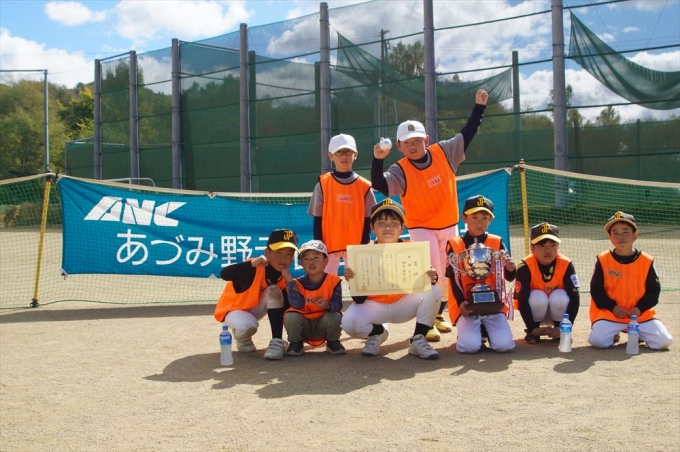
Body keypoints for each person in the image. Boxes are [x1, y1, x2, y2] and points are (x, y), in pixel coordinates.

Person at [371, 89, 489, 342]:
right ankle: (425, 322)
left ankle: (437, 314)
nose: (413, 146)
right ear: (399, 146)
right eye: (406, 143)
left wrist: (479, 108)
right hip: (421, 227)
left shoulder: (444, 152)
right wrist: (377, 160)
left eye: (417, 140)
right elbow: (380, 185)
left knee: (449, 272)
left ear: (426, 139)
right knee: (429, 271)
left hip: (449, 224)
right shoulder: (400, 169)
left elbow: (468, 133)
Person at [341, 199, 441, 359]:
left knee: (433, 292)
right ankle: (377, 333)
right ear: (372, 227)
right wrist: (353, 281)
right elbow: (359, 300)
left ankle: (418, 339)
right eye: (381, 223)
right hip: (375, 307)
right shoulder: (361, 254)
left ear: (402, 227)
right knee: (349, 322)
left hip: (404, 305)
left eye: (394, 223)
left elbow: (429, 281)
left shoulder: (413, 248)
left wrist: (432, 276)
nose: (388, 227)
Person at [588, 211, 673, 350]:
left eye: (625, 232)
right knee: (599, 342)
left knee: (664, 342)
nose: (620, 237)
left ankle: (639, 334)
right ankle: (614, 334)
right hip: (610, 314)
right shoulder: (603, 260)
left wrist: (639, 308)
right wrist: (612, 307)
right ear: (610, 237)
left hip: (639, 315)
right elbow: (596, 290)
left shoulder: (646, 260)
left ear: (635, 235)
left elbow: (654, 291)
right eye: (615, 233)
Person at [445, 195, 516, 354]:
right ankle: (474, 332)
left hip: (493, 305)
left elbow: (509, 277)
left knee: (504, 346)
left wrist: (511, 268)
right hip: (467, 306)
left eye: (485, 218)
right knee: (469, 347)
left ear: (490, 219)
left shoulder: (497, 242)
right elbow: (452, 277)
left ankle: (486, 332)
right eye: (474, 217)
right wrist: (461, 302)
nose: (479, 222)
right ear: (464, 218)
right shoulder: (455, 244)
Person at [214, 228, 299, 360]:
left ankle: (276, 342)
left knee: (274, 291)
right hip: (232, 310)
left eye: (289, 254)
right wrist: (252, 264)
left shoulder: (284, 276)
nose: (283, 258)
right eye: (278, 252)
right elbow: (224, 274)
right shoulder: (254, 266)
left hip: (254, 310)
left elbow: (287, 307)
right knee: (248, 326)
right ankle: (241, 336)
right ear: (267, 252)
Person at [308, 133, 377, 275]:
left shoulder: (364, 186)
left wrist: (364, 243)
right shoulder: (323, 184)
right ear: (330, 156)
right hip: (328, 243)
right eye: (338, 152)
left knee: (358, 280)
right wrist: (318, 244)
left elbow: (368, 217)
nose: (343, 156)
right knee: (328, 280)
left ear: (355, 154)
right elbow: (317, 216)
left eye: (347, 151)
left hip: (355, 244)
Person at [513, 222, 580, 344]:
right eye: (542, 245)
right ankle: (533, 331)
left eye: (553, 245)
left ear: (558, 246)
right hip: (535, 312)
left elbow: (574, 297)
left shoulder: (566, 264)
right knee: (537, 296)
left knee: (560, 296)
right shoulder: (525, 266)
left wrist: (567, 326)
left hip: (558, 311)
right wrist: (532, 328)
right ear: (532, 248)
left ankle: (560, 329)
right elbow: (522, 300)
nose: (547, 250)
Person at [283, 239, 345, 356]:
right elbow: (296, 305)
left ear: (326, 261)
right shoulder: (297, 283)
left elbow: (338, 305)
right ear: (301, 264)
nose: (311, 262)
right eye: (306, 259)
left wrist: (328, 305)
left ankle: (333, 342)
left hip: (323, 325)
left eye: (316, 257)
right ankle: (296, 343)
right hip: (304, 326)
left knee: (335, 316)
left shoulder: (333, 280)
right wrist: (289, 282)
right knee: (291, 315)